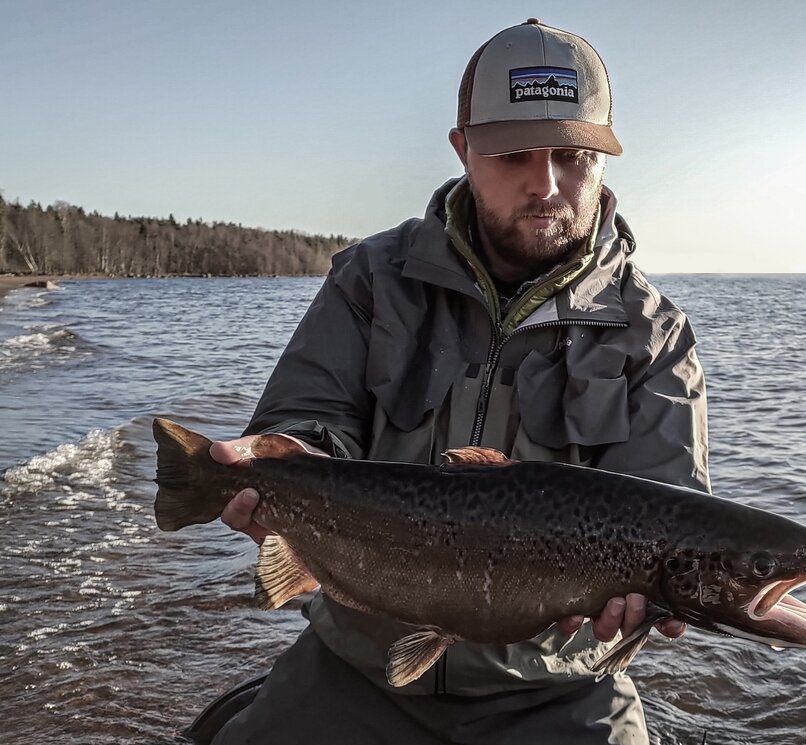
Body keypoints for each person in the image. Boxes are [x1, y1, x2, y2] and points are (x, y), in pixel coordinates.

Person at [207, 19, 709, 745]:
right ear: (463, 149)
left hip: (561, 688)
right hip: (355, 665)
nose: (546, 184)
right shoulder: (370, 279)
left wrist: (648, 596)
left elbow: (673, 518)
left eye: (572, 156)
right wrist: (281, 454)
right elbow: (310, 418)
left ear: (605, 156)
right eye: (512, 154)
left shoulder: (655, 333)